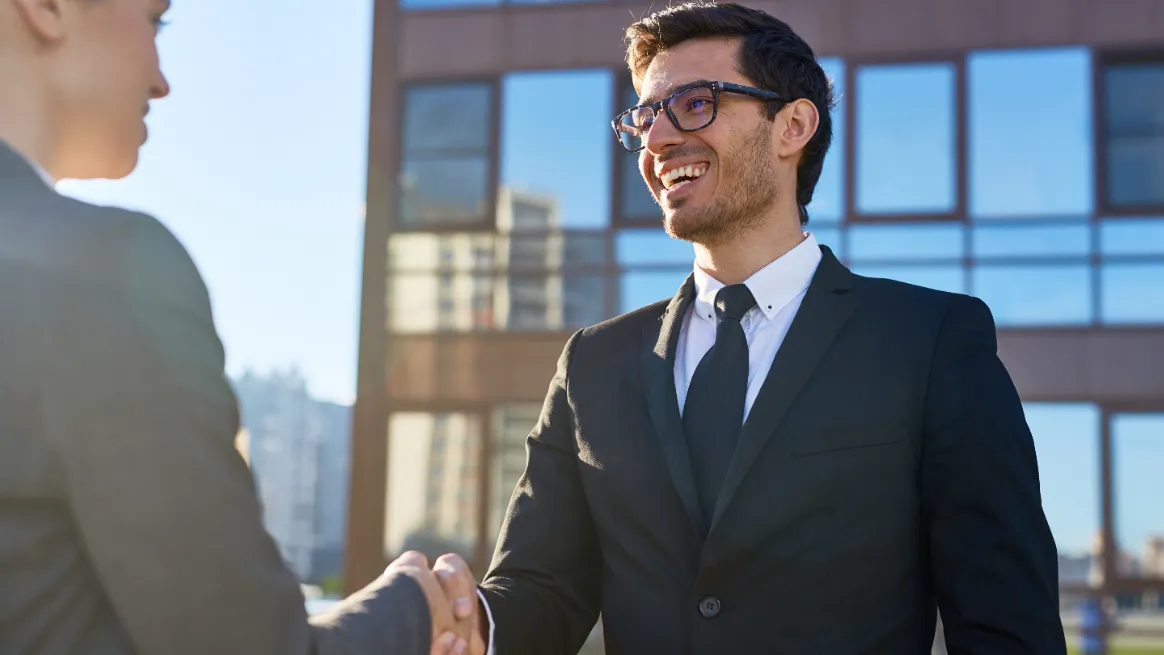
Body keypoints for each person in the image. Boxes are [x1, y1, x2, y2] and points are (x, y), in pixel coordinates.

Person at [434, 2, 1068, 653]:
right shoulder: (592, 365)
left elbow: (1007, 627)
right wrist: (467, 620)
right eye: (645, 117)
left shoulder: (930, 343)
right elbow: (543, 590)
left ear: (792, 125)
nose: (656, 141)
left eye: (695, 104)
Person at [0, 0, 480, 653]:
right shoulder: (99, 271)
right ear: (48, 8)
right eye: (154, 20)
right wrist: (413, 606)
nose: (161, 79)